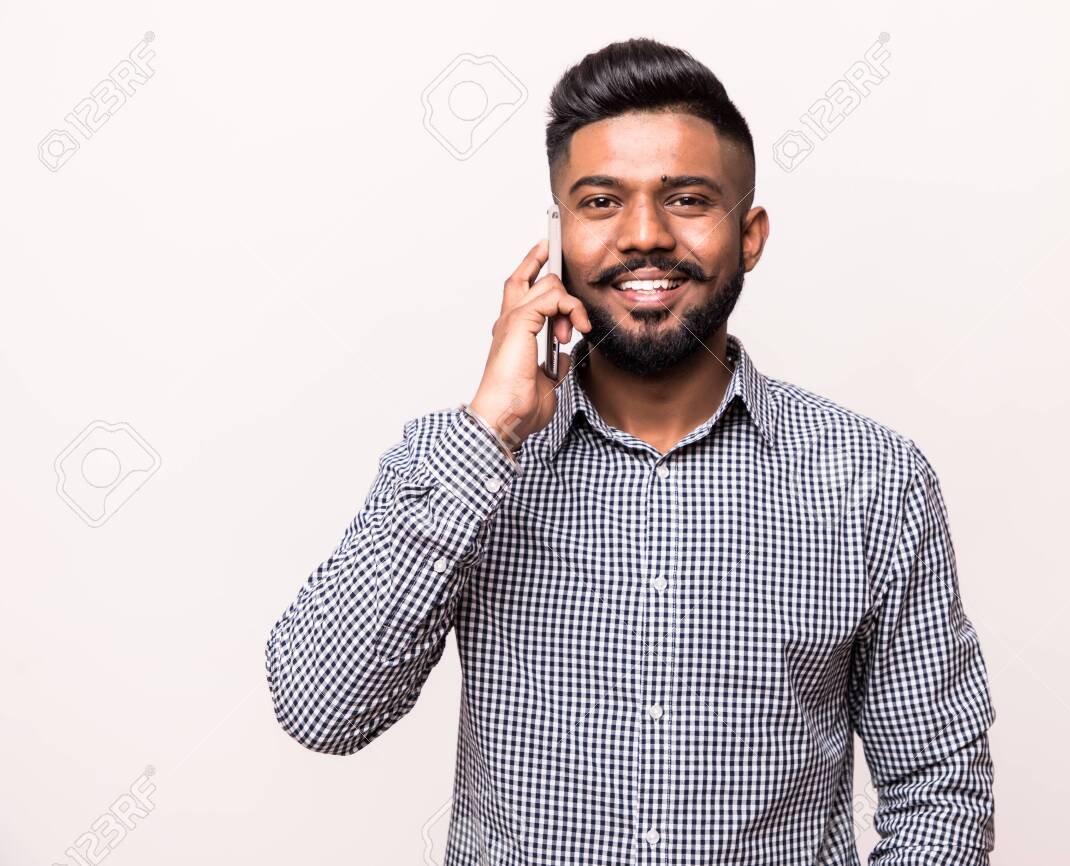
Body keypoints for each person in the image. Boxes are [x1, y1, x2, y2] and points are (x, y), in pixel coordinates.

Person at [265, 37, 996, 866]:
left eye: (686, 199)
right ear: (556, 236)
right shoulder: (459, 462)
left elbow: (940, 790)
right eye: (601, 201)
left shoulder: (874, 480)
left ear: (749, 235)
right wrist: (493, 431)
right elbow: (322, 707)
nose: (643, 236)